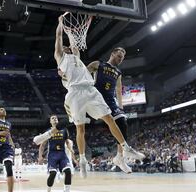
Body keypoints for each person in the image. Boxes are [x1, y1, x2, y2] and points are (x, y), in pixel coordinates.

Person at [54, 15, 143, 178]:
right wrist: (60, 24)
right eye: (65, 47)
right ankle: (82, 160)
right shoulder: (60, 57)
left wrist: (73, 30)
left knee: (110, 118)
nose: (67, 48)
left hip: (90, 90)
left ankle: (125, 147)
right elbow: (59, 37)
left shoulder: (76, 56)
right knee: (80, 129)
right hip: (75, 93)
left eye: (69, 47)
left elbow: (74, 42)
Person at [87, 47, 145, 173]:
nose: (120, 59)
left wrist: (121, 106)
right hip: (97, 98)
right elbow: (84, 73)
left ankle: (119, 157)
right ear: (112, 53)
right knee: (113, 123)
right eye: (119, 56)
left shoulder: (118, 72)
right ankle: (123, 152)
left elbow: (118, 90)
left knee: (123, 121)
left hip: (111, 100)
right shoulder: (98, 64)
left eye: (122, 58)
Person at [34, 115, 76, 192]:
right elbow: (42, 145)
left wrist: (71, 150)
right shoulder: (48, 132)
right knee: (52, 174)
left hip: (62, 154)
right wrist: (40, 156)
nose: (55, 119)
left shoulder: (64, 130)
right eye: (52, 118)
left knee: (68, 171)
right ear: (50, 122)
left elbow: (67, 142)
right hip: (52, 155)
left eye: (56, 118)